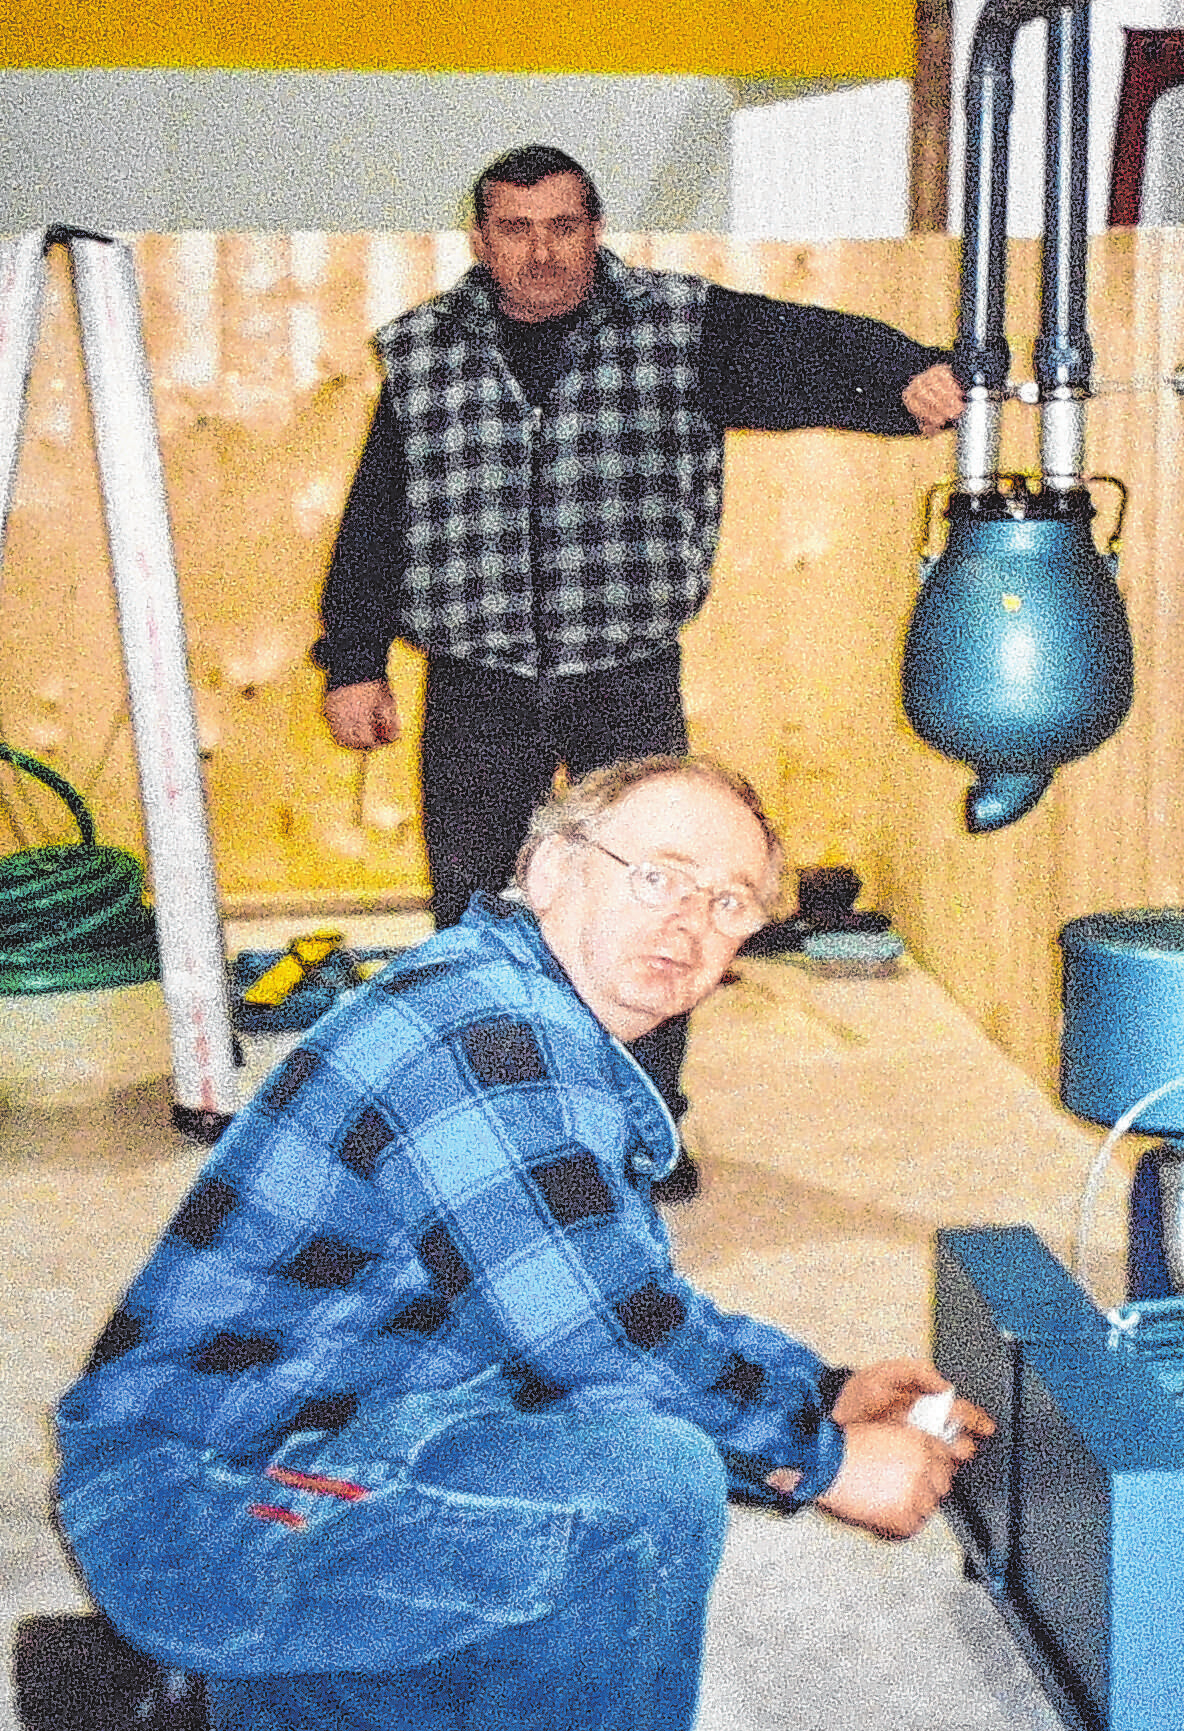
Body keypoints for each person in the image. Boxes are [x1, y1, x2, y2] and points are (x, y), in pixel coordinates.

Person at [54, 754, 992, 1731]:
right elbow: (597, 1340)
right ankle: (242, 1677)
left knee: (592, 1446)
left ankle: (253, 1704)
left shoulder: (524, 1012)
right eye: (657, 876)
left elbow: (626, 1305)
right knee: (640, 1491)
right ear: (549, 869)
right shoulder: (490, 1037)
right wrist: (825, 1461)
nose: (688, 924)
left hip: (299, 1445)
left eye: (728, 904)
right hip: (201, 1508)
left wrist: (820, 1389)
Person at [314, 143, 965, 1200]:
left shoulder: (675, 324)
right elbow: (376, 521)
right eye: (514, 229)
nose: (539, 252)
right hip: (476, 679)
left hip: (624, 670)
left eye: (562, 226)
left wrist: (904, 374)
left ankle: (642, 1121)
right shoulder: (423, 352)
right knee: (481, 908)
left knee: (660, 907)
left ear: (595, 228)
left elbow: (804, 353)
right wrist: (353, 660)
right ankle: (505, 1124)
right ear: (482, 238)